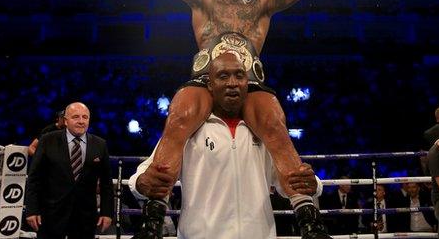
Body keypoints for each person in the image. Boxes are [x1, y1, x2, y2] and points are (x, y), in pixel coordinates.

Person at [124, 0, 356, 237]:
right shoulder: (203, 1)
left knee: (276, 125)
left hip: (250, 85)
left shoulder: (260, 7)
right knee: (180, 117)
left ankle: (308, 216)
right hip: (204, 82)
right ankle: (155, 213)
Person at [129, 53, 324, 239]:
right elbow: (145, 174)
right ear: (210, 85)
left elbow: (290, 180)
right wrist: (141, 182)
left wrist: (314, 183)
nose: (232, 83)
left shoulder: (265, 131)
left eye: (239, 75)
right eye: (223, 76)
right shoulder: (188, 129)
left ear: (247, 83)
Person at [25, 102, 114, 239]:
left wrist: (106, 212)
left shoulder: (100, 144)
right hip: (51, 213)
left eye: (85, 117)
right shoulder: (48, 140)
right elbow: (34, 178)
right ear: (65, 121)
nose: (81, 121)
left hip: (85, 216)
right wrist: (31, 210)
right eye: (76, 117)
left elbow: (106, 183)